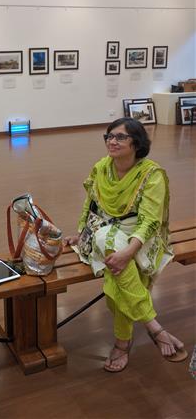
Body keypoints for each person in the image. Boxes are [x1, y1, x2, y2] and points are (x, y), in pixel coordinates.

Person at [63, 117, 188, 373]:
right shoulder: (101, 167)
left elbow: (150, 221)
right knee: (107, 241)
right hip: (103, 229)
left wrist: (129, 251)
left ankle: (122, 343)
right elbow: (91, 204)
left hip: (140, 234)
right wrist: (81, 233)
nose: (112, 141)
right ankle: (154, 327)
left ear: (137, 143)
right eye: (109, 136)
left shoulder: (152, 174)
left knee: (116, 264)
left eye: (120, 137)